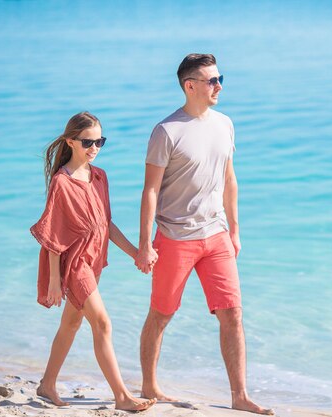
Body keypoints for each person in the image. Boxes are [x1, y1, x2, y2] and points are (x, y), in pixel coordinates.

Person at [135, 54, 274, 415]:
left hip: (217, 236)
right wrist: (143, 245)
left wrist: (236, 231)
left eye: (219, 78)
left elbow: (230, 180)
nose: (219, 86)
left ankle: (239, 396)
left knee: (232, 315)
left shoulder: (225, 124)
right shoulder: (167, 131)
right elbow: (150, 190)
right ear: (189, 85)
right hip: (174, 238)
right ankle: (149, 384)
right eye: (211, 81)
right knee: (162, 314)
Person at [30, 112, 155, 412]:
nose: (95, 147)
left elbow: (107, 225)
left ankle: (47, 384)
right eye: (88, 142)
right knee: (102, 323)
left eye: (100, 141)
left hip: (94, 261)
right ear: (70, 141)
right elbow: (53, 235)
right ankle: (122, 396)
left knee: (71, 324)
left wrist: (137, 252)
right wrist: (55, 282)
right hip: (73, 266)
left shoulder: (100, 176)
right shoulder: (61, 183)